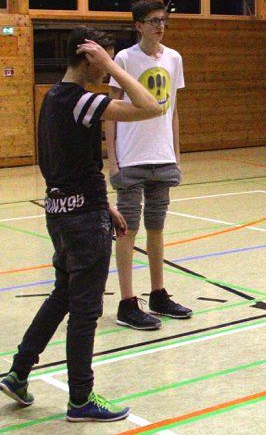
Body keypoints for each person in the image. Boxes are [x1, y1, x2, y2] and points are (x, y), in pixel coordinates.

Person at [0, 27, 162, 421]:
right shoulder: (82, 100)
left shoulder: (53, 98)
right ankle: (80, 399)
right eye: (103, 60)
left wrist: (104, 205)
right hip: (82, 220)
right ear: (89, 57)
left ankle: (19, 372)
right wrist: (116, 68)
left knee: (62, 295)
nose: (106, 69)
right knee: (86, 310)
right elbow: (151, 107)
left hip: (61, 211)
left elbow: (71, 164)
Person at [106, 0, 191, 330]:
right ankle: (127, 302)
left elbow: (174, 110)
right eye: (153, 21)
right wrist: (113, 160)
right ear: (138, 25)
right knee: (128, 229)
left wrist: (176, 155)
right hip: (132, 157)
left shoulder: (174, 58)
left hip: (162, 157)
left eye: (163, 20)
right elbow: (111, 110)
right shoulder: (124, 59)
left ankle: (158, 294)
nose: (160, 26)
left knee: (157, 227)